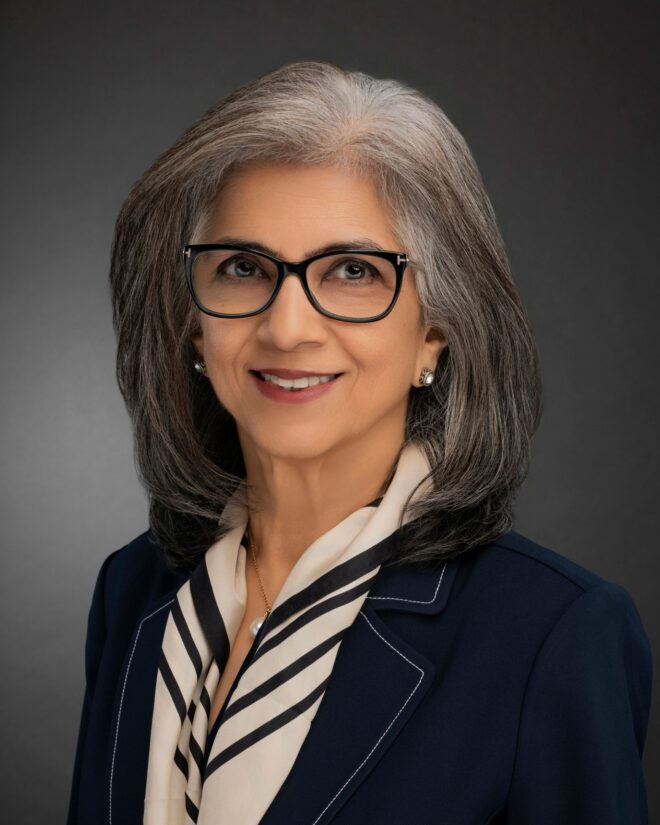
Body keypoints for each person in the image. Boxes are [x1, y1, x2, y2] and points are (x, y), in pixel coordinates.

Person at [66, 61, 652, 825]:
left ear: (435, 337)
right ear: (195, 331)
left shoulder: (552, 634)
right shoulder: (134, 591)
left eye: (351, 271)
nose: (286, 327)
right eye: (244, 267)